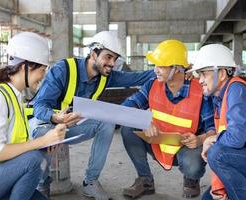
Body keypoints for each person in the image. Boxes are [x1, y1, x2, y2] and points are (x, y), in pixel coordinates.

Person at [29, 31, 156, 200]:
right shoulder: (62, 70)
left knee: (107, 123)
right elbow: (39, 106)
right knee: (44, 134)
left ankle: (90, 182)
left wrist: (167, 70)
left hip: (70, 126)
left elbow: (137, 77)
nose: (112, 63)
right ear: (93, 53)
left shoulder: (107, 76)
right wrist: (55, 117)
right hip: (45, 125)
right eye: (108, 57)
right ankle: (42, 184)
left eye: (115, 59)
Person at [0, 32, 80, 200]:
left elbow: (17, 139)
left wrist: (54, 126)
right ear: (24, 67)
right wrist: (43, 141)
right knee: (34, 159)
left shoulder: (13, 96)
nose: (43, 77)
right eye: (42, 70)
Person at [120, 39, 216, 199]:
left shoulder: (200, 92)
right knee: (128, 129)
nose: (155, 70)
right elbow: (127, 106)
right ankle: (145, 180)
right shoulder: (152, 85)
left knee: (192, 166)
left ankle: (191, 179)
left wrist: (200, 139)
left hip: (186, 147)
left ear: (177, 69)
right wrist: (143, 121)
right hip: (158, 139)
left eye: (161, 66)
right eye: (155, 65)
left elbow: (212, 129)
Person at [188, 44, 246, 200]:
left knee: (216, 154)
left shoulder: (236, 91)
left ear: (222, 73)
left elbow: (235, 140)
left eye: (203, 74)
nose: (200, 80)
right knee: (208, 198)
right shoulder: (220, 98)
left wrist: (212, 138)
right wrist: (221, 186)